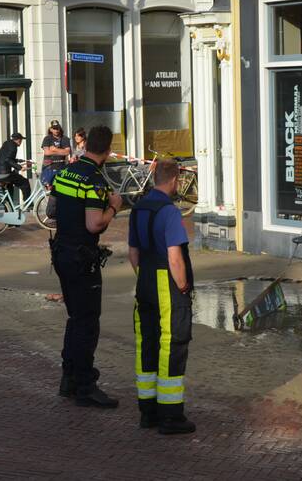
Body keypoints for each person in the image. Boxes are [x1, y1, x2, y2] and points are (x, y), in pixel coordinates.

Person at [50, 125, 123, 408]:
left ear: (86, 144)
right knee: (87, 322)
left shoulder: (66, 172)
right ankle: (85, 386)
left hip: (61, 252)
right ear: (107, 149)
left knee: (74, 317)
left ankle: (68, 378)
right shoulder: (94, 180)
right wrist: (114, 206)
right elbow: (95, 223)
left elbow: (51, 211)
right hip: (82, 258)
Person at [128, 158, 196, 435]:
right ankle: (171, 416)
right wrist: (183, 288)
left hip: (144, 280)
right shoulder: (169, 212)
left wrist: (143, 276)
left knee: (147, 342)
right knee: (173, 342)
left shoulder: (138, 208)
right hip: (166, 283)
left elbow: (133, 252)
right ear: (174, 180)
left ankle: (148, 411)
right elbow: (174, 257)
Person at [0, 131, 29, 201]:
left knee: (10, 188)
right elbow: (8, 160)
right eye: (21, 140)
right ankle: (28, 205)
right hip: (4, 174)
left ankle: (9, 209)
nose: (21, 142)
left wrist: (19, 161)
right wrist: (20, 167)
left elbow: (6, 158)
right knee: (25, 183)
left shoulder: (6, 144)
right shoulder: (13, 146)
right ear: (18, 140)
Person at [41, 120, 72, 186]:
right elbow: (47, 152)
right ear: (51, 129)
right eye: (54, 128)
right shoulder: (47, 139)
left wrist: (55, 149)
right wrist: (61, 151)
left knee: (60, 187)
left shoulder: (65, 139)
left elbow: (67, 152)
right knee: (48, 188)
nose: (56, 130)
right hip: (48, 166)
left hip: (61, 166)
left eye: (58, 128)